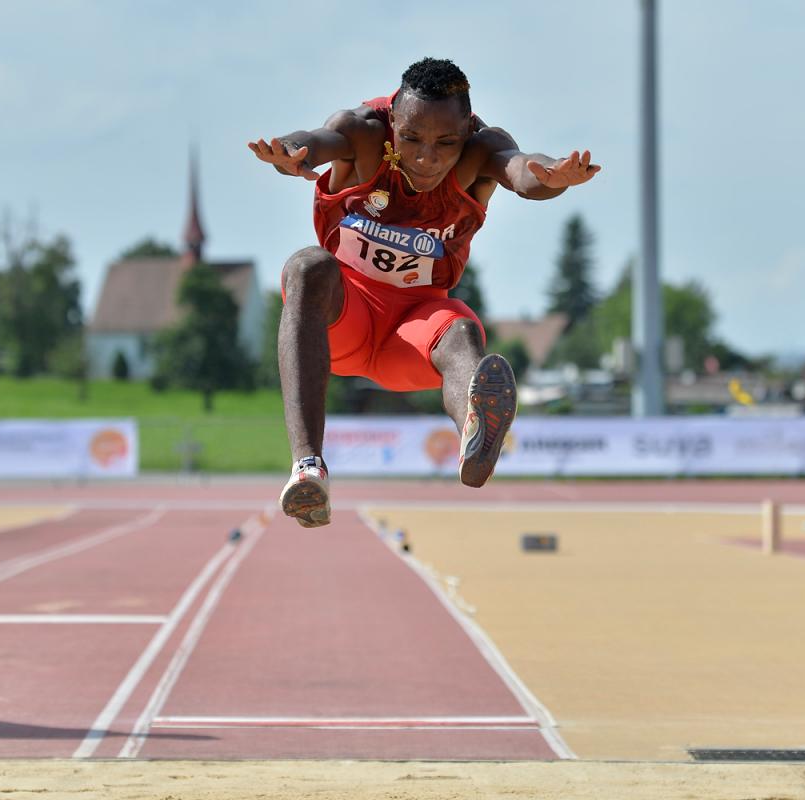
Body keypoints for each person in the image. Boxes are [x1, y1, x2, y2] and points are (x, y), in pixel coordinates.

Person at [248, 58, 601, 527]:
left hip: (413, 331)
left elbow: (522, 173)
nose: (426, 157)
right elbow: (315, 142)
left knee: (461, 332)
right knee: (308, 266)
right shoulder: (363, 132)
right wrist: (291, 152)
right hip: (344, 317)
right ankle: (308, 467)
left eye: (446, 143)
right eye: (411, 138)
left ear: (467, 131)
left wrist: (554, 176)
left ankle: (475, 435)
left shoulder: (483, 150)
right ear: (392, 119)